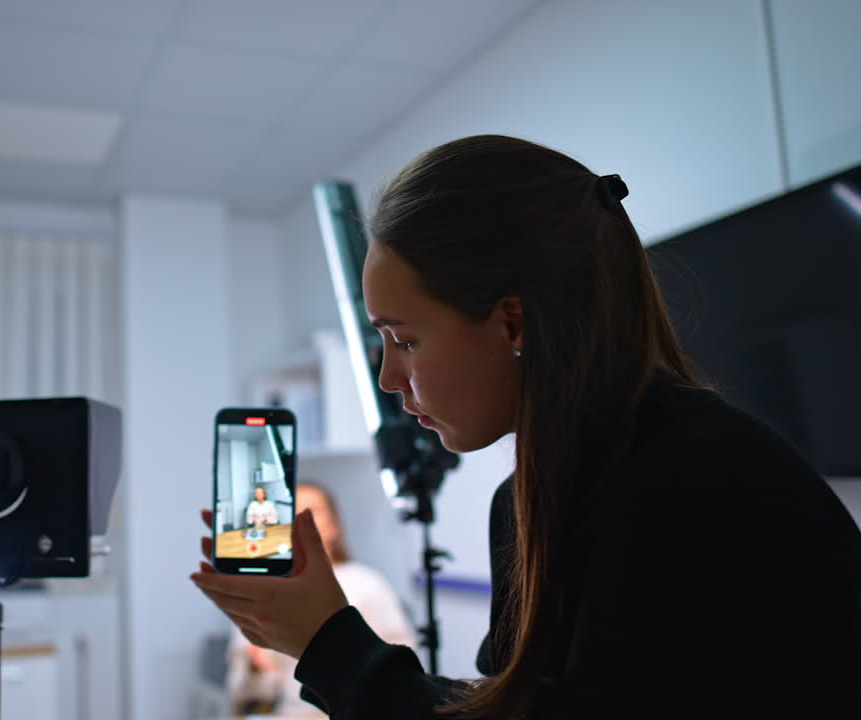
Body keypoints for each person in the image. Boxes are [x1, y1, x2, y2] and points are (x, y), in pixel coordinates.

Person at [191, 135, 861, 718]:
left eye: (405, 340)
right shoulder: (524, 501)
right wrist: (317, 638)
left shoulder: (692, 486)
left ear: (513, 323)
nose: (390, 378)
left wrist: (328, 642)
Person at [226, 483, 416, 717]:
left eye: (312, 512)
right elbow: (245, 692)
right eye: (292, 513)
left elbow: (403, 669)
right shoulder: (266, 592)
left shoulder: (368, 585)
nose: (301, 522)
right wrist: (255, 666)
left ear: (334, 524)